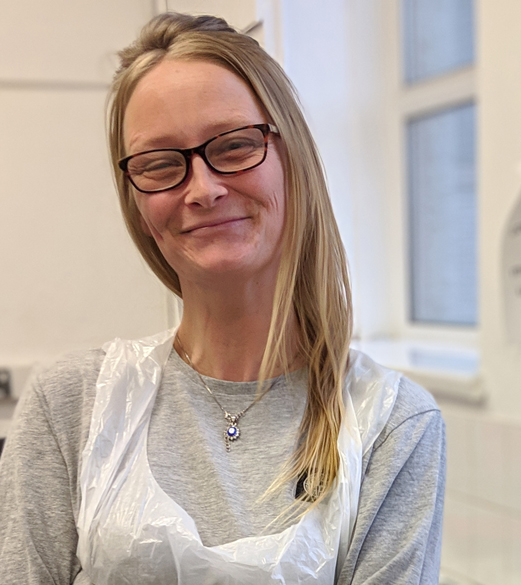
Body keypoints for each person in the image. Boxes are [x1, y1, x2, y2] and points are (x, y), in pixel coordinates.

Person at [0, 13, 445, 584]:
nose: (204, 189)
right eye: (160, 164)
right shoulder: (71, 407)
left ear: (293, 159)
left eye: (234, 147)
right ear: (136, 199)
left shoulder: (392, 426)